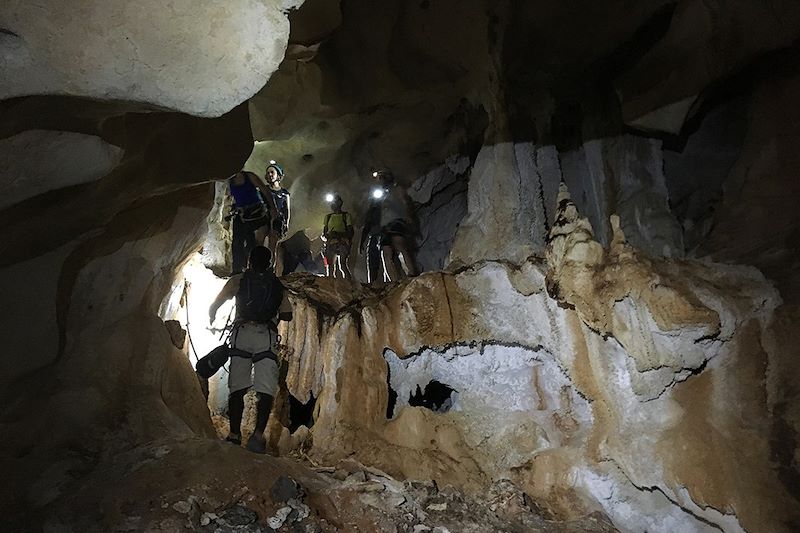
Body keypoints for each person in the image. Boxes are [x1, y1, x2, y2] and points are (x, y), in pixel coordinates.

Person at [196, 246, 292, 453]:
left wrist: (212, 317)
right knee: (265, 390)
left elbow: (216, 304)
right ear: (269, 264)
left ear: (250, 261)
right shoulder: (276, 285)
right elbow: (287, 315)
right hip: (265, 337)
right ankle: (258, 436)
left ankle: (234, 434)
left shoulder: (238, 280)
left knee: (237, 387)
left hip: (242, 334)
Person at [372, 169, 419, 280]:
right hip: (385, 226)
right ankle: (394, 281)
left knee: (399, 246)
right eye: (380, 178)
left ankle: (411, 274)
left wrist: (408, 217)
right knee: (386, 253)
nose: (381, 180)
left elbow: (405, 203)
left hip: (397, 221)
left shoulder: (397, 189)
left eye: (383, 177)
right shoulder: (382, 194)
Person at [266, 162, 290, 275]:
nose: (270, 175)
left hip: (277, 221)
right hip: (264, 219)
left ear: (278, 176)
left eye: (272, 172)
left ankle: (270, 271)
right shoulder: (264, 190)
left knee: (272, 248)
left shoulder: (285, 194)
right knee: (258, 244)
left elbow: (287, 210)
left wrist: (286, 224)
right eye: (268, 173)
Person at [322, 194, 354, 278]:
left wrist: (337, 234)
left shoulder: (346, 216)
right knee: (331, 266)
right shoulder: (328, 217)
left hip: (342, 242)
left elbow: (350, 232)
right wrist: (330, 235)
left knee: (342, 265)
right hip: (332, 242)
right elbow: (325, 232)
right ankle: (331, 286)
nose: (334, 204)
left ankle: (348, 285)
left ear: (340, 203)